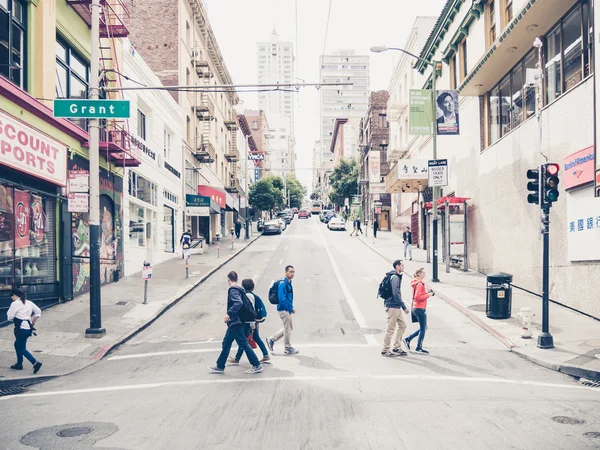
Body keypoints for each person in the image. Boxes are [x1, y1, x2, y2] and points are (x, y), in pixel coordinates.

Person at [209, 271, 263, 374]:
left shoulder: (233, 290)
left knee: (243, 343)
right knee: (226, 342)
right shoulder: (240, 289)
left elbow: (238, 302)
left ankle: (256, 364)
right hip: (238, 321)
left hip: (235, 321)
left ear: (228, 279)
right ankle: (220, 366)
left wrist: (229, 313)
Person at [228, 279, 270, 364]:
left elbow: (250, 310)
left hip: (249, 322)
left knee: (243, 340)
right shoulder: (250, 295)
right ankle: (265, 354)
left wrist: (252, 323)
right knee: (252, 338)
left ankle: (237, 358)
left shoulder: (248, 296)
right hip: (251, 321)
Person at [7, 288, 42, 373]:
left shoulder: (15, 304)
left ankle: (35, 362)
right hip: (28, 328)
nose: (12, 298)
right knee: (18, 345)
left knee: (20, 347)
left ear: (15, 295)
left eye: (12, 296)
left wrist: (15, 318)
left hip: (20, 328)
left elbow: (9, 317)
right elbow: (38, 312)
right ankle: (19, 364)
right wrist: (32, 323)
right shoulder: (29, 302)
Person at [267, 265, 298, 355]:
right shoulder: (283, 283)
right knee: (288, 329)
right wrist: (290, 308)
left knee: (288, 328)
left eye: (293, 272)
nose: (292, 274)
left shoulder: (288, 282)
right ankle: (287, 347)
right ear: (286, 272)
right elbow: (282, 299)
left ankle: (272, 339)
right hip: (283, 309)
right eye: (290, 272)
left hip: (286, 309)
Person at [382, 260, 409, 357]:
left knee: (403, 325)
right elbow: (395, 294)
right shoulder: (395, 278)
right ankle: (385, 350)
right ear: (397, 267)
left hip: (396, 306)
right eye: (402, 265)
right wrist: (404, 307)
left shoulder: (396, 277)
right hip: (392, 306)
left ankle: (397, 346)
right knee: (390, 329)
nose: (403, 267)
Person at [404, 268, 434, 354]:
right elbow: (418, 297)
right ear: (419, 274)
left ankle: (408, 340)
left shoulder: (416, 283)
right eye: (423, 273)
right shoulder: (420, 284)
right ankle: (418, 347)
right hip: (420, 308)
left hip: (416, 307)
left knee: (424, 327)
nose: (424, 274)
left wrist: (426, 292)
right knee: (423, 328)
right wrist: (429, 294)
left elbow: (418, 295)